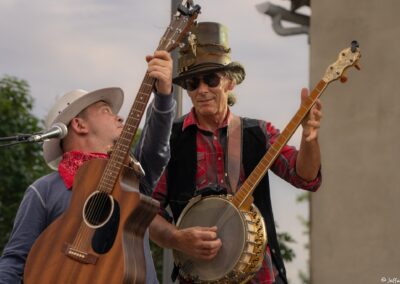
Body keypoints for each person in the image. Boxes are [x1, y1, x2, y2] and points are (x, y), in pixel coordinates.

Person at [149, 22, 322, 283]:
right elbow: (146, 213)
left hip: (259, 275)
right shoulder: (171, 139)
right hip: (196, 277)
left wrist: (309, 139)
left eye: (211, 79)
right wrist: (177, 238)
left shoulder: (259, 133)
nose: (202, 90)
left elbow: (305, 177)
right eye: (193, 83)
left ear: (229, 82)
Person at [0, 50, 176, 283]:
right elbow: (15, 261)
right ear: (79, 124)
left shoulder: (130, 178)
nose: (120, 118)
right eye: (106, 111)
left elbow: (156, 150)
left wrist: (164, 96)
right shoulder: (43, 191)